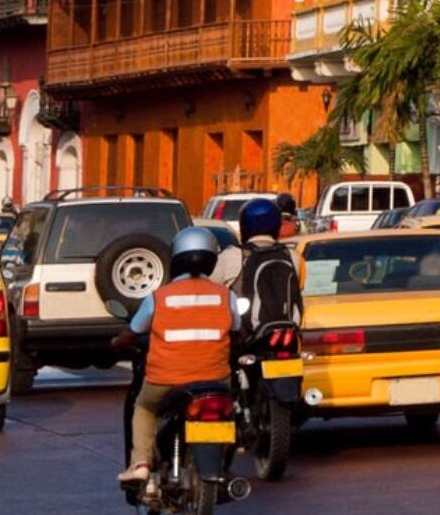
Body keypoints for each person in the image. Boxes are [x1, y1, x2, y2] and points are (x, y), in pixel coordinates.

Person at [113, 227, 241, 484]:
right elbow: (237, 332)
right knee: (230, 409)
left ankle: (140, 463)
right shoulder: (227, 296)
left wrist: (117, 341)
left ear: (175, 259)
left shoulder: (158, 297)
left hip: (164, 380)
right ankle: (223, 456)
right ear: (211, 260)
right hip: (216, 380)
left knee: (144, 407)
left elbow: (133, 332)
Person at [211, 198, 302, 335]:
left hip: (245, 339)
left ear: (245, 225)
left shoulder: (233, 255)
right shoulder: (291, 256)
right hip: (286, 334)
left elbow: (210, 287)